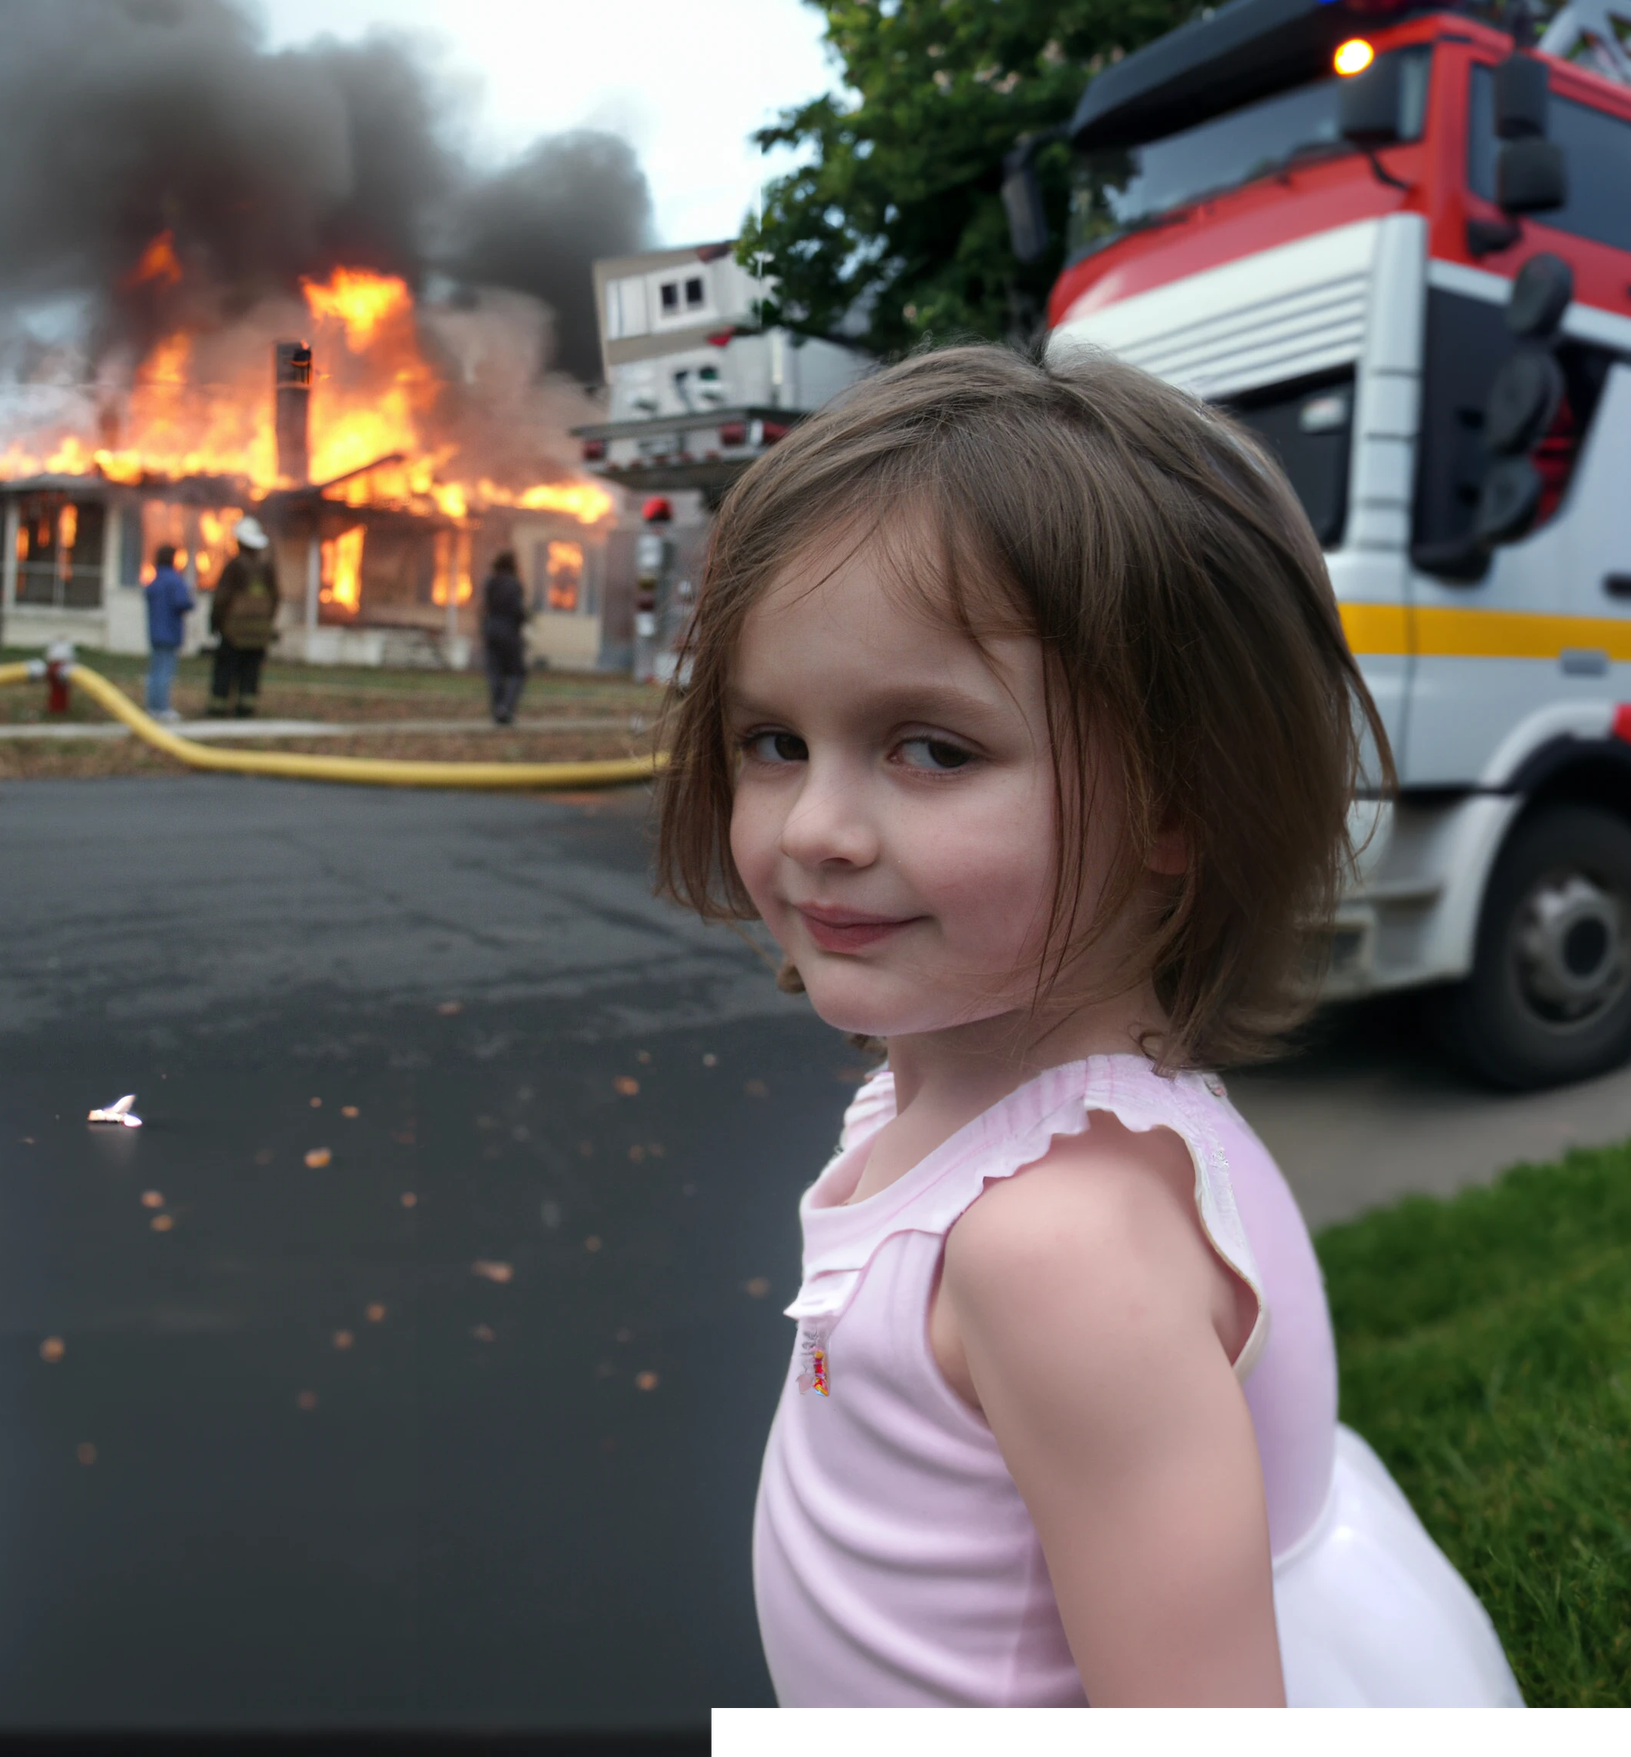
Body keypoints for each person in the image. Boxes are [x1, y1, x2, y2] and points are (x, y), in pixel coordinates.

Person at [653, 344, 1522, 1709]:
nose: (812, 827)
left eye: (929, 747)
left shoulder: (1054, 1250)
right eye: (773, 741)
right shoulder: (960, 1098)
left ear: (1181, 798)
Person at [207, 516, 280, 718]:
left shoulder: (235, 567)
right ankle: (246, 707)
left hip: (233, 631)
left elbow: (222, 598)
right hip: (258, 633)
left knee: (226, 668)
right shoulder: (267, 569)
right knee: (251, 670)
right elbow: (276, 598)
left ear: (240, 542)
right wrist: (266, 623)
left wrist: (214, 622)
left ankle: (218, 706)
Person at [142, 545, 195, 721]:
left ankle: (152, 707)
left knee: (155, 671)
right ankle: (163, 708)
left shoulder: (155, 580)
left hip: (155, 632)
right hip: (170, 632)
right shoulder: (175, 580)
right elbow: (182, 603)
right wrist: (191, 599)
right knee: (165, 672)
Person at [480, 549, 529, 725]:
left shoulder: (490, 582)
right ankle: (506, 708)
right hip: (508, 631)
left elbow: (484, 608)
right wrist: (525, 619)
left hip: (491, 629)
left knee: (495, 673)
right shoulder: (514, 584)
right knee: (517, 673)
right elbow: (518, 610)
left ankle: (497, 710)